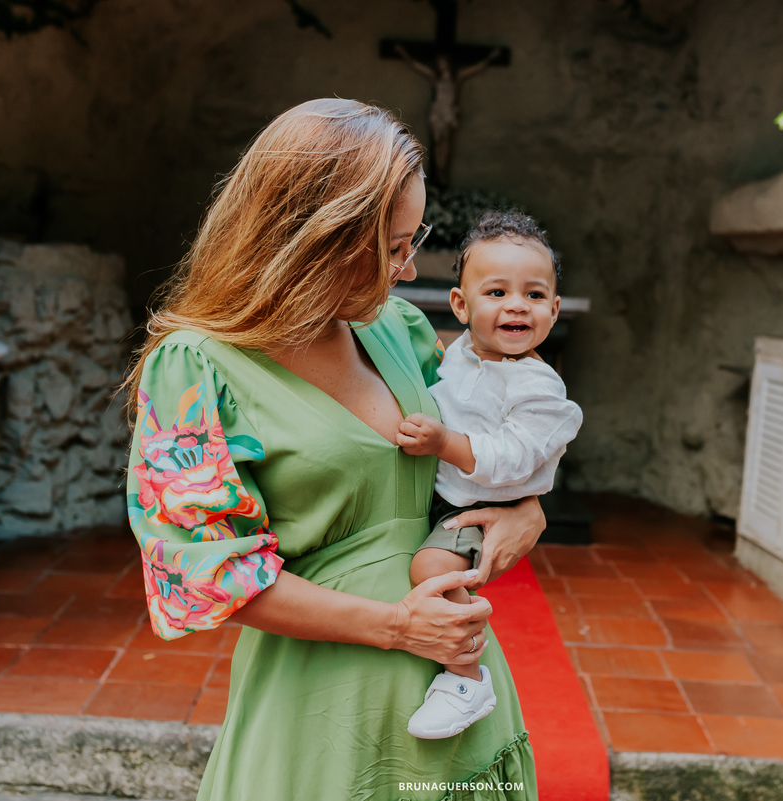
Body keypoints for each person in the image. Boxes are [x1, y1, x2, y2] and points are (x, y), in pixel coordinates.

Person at [123, 98, 544, 800]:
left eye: (417, 239)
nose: (409, 270)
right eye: (395, 245)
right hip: (319, 712)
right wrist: (399, 626)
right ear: (318, 236)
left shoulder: (400, 329)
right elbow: (208, 576)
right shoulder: (197, 367)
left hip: (459, 697)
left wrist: (528, 510)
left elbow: (482, 452)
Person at [396, 211, 583, 740]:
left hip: (482, 504)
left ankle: (465, 676)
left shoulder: (537, 387)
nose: (517, 304)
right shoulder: (459, 354)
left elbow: (513, 457)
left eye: (534, 294)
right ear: (461, 305)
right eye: (497, 292)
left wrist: (443, 443)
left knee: (432, 564)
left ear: (553, 309)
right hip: (448, 492)